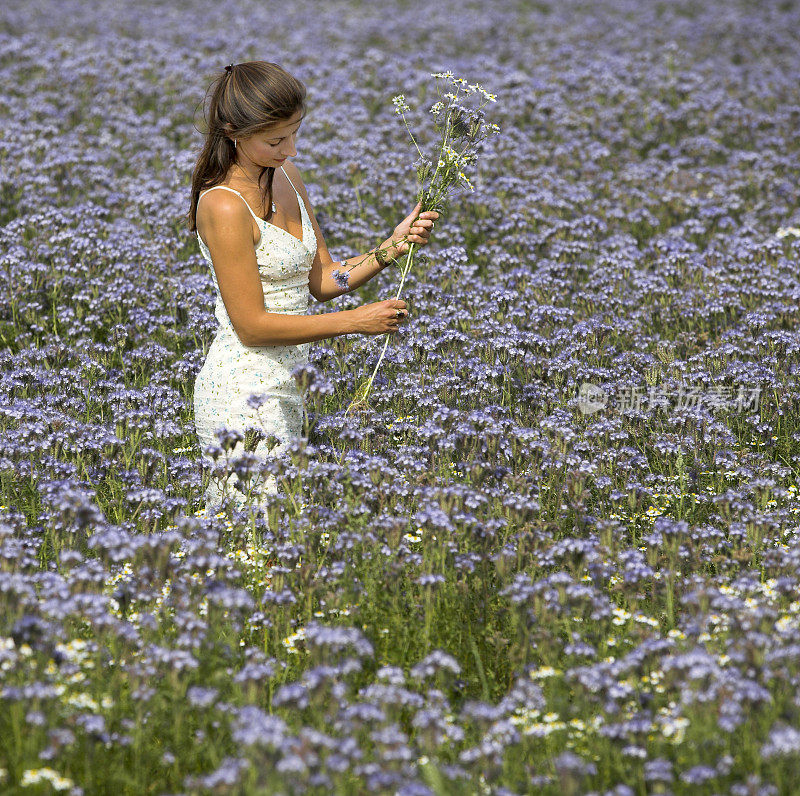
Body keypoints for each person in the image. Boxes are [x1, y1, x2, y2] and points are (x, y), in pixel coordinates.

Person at [186, 60, 440, 513]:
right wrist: (355, 323)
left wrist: (391, 247)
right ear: (233, 132)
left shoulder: (285, 176)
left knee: (279, 533)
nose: (292, 150)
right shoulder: (223, 206)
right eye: (276, 140)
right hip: (241, 394)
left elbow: (323, 280)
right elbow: (251, 327)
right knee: (253, 536)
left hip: (291, 385)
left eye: (295, 132)